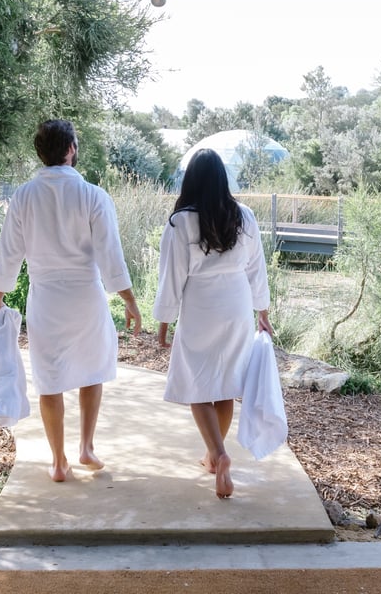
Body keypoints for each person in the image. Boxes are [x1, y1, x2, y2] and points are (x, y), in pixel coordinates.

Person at [0, 119, 142, 482]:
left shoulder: (24, 196)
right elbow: (111, 255)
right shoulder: (93, 195)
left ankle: (58, 460)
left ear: (41, 153)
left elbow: (9, 250)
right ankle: (86, 446)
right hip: (86, 297)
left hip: (46, 300)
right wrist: (129, 299)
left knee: (50, 378)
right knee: (92, 370)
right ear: (71, 148)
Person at [153, 148, 273, 499]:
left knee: (197, 384)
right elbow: (256, 268)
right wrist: (262, 312)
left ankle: (218, 455)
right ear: (223, 179)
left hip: (200, 306)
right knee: (224, 384)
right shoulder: (244, 216)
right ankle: (211, 456)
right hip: (236, 305)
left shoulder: (180, 222)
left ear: (191, 180)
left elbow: (171, 277)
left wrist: (164, 321)